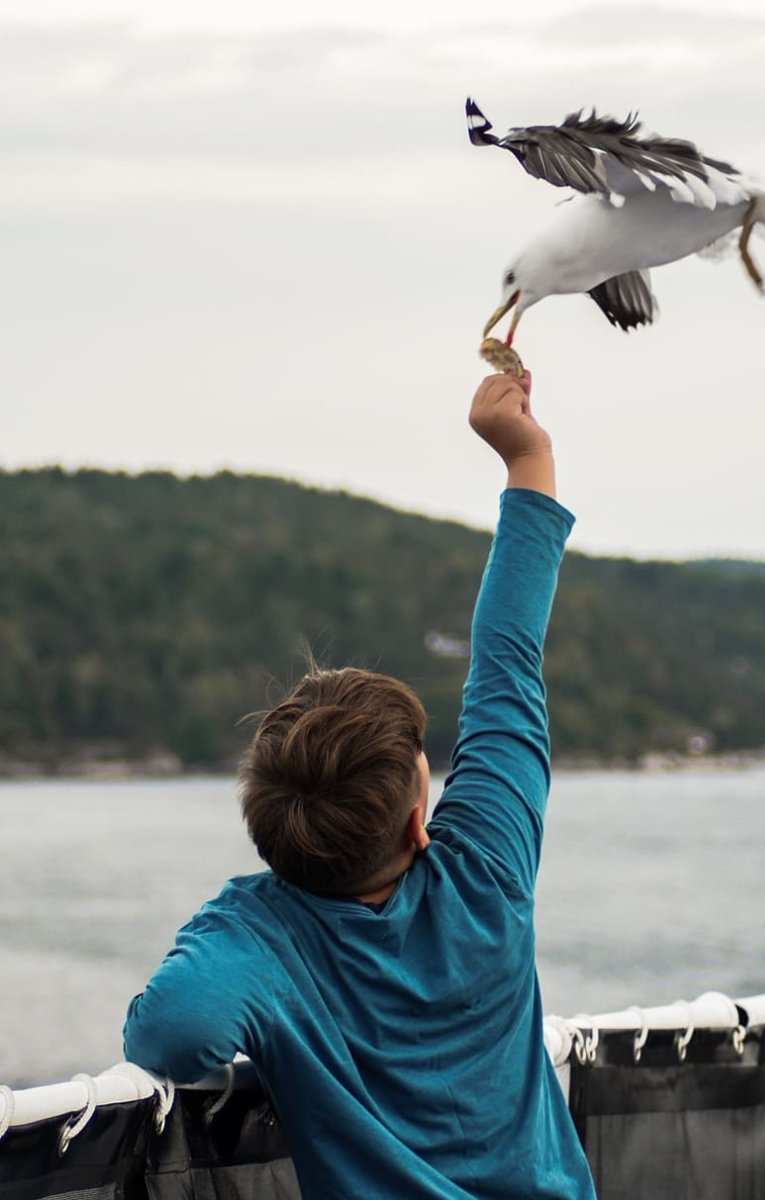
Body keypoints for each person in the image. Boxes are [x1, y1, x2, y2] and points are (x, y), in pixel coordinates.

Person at [124, 371, 597, 1200]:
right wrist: (528, 456)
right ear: (419, 824)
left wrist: (249, 914)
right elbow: (507, 656)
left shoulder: (261, 941)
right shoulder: (483, 875)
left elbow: (172, 1036)